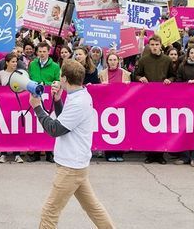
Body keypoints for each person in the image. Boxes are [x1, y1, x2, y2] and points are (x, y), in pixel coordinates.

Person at [30, 59, 115, 229]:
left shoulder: (78, 102)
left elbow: (55, 129)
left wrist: (37, 107)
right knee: (92, 207)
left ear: (65, 79)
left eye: (61, 75)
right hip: (76, 164)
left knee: (49, 211)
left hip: (71, 166)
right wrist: (57, 100)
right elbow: (66, 123)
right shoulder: (78, 94)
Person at [133, 36, 172, 165]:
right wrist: (140, 78)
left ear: (161, 45)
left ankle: (160, 155)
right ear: (149, 46)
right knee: (149, 126)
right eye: (152, 44)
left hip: (163, 97)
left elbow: (173, 75)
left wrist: (169, 80)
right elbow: (136, 75)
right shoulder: (144, 60)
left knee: (161, 126)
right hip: (147, 97)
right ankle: (150, 154)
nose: (154, 47)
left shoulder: (167, 60)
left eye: (156, 44)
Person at [28, 42, 61, 163]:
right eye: (40, 52)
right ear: (37, 52)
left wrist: (47, 85)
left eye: (44, 51)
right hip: (35, 96)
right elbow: (29, 78)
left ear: (48, 52)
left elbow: (57, 81)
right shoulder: (32, 64)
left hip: (49, 97)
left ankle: (49, 153)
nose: (42, 54)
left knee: (48, 123)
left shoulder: (55, 66)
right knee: (36, 124)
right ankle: (36, 153)